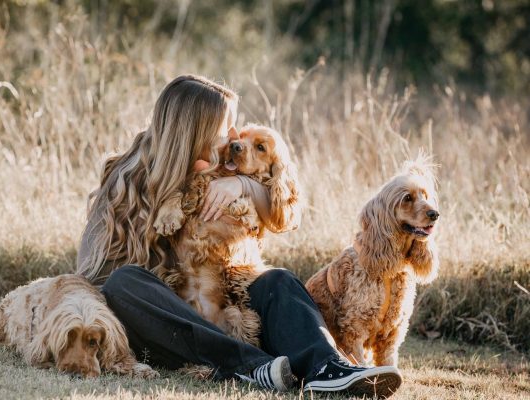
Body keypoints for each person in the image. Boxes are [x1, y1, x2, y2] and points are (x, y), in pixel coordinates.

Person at [76, 74, 402, 396]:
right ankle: (251, 366)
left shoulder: (223, 173)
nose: (234, 138)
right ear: (194, 132)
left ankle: (327, 367)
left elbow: (286, 213)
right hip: (165, 323)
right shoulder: (126, 178)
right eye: (224, 128)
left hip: (229, 311)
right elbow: (92, 274)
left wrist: (243, 184)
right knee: (124, 282)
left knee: (278, 280)